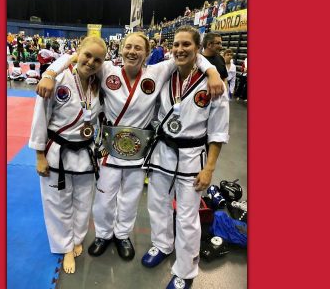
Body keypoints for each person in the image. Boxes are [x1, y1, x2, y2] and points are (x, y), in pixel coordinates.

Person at [36, 31, 224, 262]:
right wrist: (51, 72)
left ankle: (122, 235)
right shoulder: (106, 69)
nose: (132, 52)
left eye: (138, 48)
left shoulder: (159, 71)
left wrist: (212, 70)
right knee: (104, 197)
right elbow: (76, 56)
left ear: (147, 53)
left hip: (139, 150)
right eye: (128, 47)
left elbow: (191, 54)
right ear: (121, 49)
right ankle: (103, 235)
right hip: (108, 148)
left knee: (130, 197)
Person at [141, 25, 230, 289]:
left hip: (192, 156)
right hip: (162, 152)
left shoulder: (214, 86)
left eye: (186, 45)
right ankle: (162, 244)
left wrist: (210, 169)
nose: (180, 49)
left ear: (198, 49)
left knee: (188, 216)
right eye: (176, 45)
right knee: (157, 204)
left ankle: (186, 270)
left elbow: (218, 132)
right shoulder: (165, 73)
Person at [28, 36, 107, 274]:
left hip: (84, 153)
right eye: (87, 55)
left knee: (83, 201)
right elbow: (40, 117)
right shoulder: (58, 79)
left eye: (98, 59)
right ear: (77, 53)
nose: (91, 62)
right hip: (56, 153)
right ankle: (64, 247)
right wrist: (39, 155)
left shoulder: (98, 82)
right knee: (58, 203)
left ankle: (77, 238)